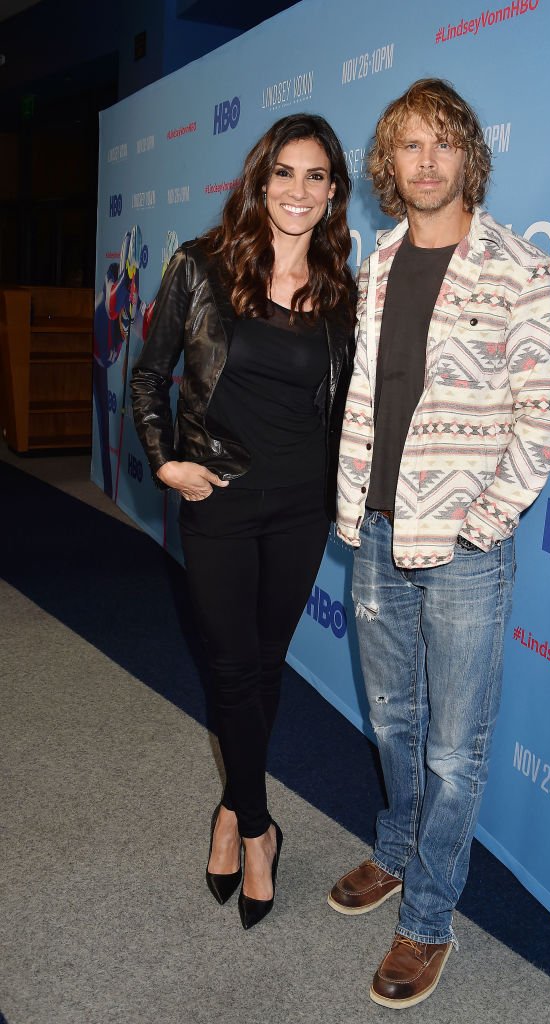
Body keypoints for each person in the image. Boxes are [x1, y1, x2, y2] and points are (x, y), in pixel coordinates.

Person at [330, 79, 550, 1007]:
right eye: (407, 146)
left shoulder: (519, 267)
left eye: (442, 144)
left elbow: (542, 413)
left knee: (451, 753)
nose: (425, 162)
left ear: (469, 156)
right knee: (392, 723)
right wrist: (356, 503)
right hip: (376, 530)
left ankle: (427, 918)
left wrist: (485, 518)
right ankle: (395, 853)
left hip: (466, 546)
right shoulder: (378, 261)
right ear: (388, 165)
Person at [130, 114, 355, 930]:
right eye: (285, 173)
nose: (299, 191)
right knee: (230, 669)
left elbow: (342, 407)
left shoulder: (340, 287)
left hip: (300, 509)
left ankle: (230, 810)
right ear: (260, 180)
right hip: (218, 499)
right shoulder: (199, 266)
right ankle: (259, 830)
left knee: (263, 666)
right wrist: (165, 461)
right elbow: (149, 374)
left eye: (317, 177)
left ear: (334, 192)